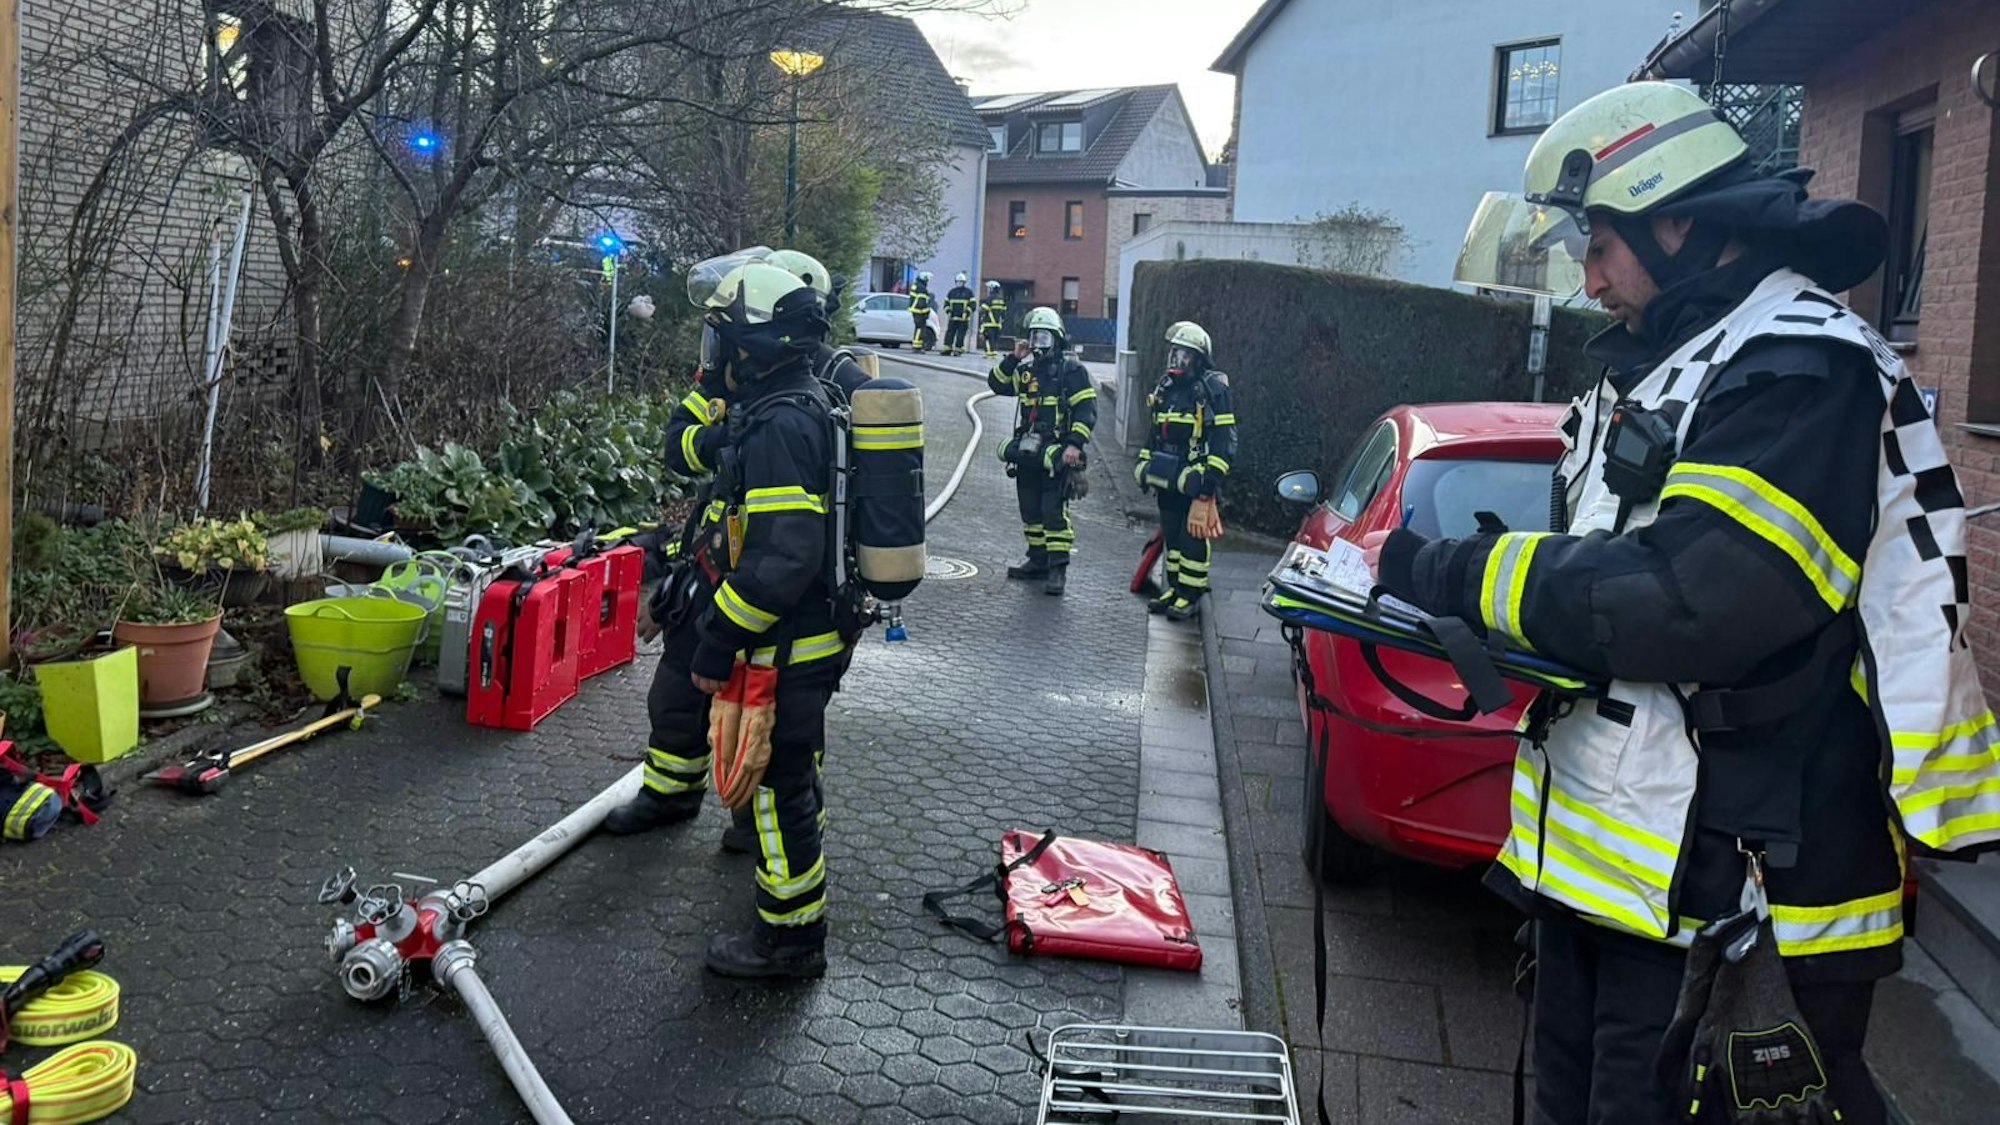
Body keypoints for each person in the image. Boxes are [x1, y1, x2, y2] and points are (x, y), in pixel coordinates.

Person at [1368, 82, 2000, 1123]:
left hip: (1742, 895)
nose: (1585, 273)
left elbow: (1687, 601)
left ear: (1675, 220)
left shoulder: (1800, 368)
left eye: (1598, 240)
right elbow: (1607, 585)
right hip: (1618, 886)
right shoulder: (1674, 365)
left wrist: (1446, 576)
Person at [604, 253, 852, 980]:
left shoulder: (781, 424)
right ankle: (784, 919)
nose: (713, 355)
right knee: (779, 785)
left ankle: (792, 941)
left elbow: (782, 557)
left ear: (756, 343)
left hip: (785, 640)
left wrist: (719, 639)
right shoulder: (787, 403)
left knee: (780, 793)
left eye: (724, 338)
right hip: (792, 635)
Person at [988, 306, 1097, 596]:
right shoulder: (1024, 371)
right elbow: (997, 384)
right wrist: (1014, 357)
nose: (1038, 343)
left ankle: (1057, 568)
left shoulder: (1072, 371)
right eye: (1034, 337)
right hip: (1027, 451)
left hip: (1057, 452)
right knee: (1030, 509)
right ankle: (1037, 561)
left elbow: (1086, 410)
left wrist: (1075, 444)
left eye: (1044, 338)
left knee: (1053, 513)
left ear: (1057, 339)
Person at [1136, 321, 1235, 621]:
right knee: (1173, 537)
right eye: (1175, 354)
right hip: (1167, 479)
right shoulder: (1166, 388)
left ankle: (1191, 596)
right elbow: (1155, 433)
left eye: (1185, 356)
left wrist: (1209, 481)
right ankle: (1176, 588)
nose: (1177, 361)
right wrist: (1144, 464)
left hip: (1195, 482)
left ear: (1199, 359)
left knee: (1192, 538)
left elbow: (1223, 439)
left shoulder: (1211, 390)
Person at [942, 272, 976, 357]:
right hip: (952, 318)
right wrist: (948, 311)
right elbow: (946, 304)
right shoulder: (951, 292)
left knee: (961, 335)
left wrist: (967, 312)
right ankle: (947, 349)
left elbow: (973, 305)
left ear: (964, 282)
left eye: (961, 282)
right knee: (949, 333)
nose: (959, 283)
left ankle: (958, 350)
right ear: (955, 282)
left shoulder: (969, 293)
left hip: (963, 319)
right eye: (958, 281)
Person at [908, 271, 936, 352]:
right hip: (919, 311)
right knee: (920, 328)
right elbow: (922, 302)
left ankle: (916, 346)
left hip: (915, 310)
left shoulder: (916, 285)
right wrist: (926, 312)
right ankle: (917, 347)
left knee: (918, 328)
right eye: (927, 280)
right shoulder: (922, 289)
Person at [980, 281, 1006, 359]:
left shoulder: (990, 298)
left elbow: (984, 309)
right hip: (997, 324)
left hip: (989, 323)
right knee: (994, 339)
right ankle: (994, 353)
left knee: (987, 338)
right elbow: (1004, 312)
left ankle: (989, 354)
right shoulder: (1001, 298)